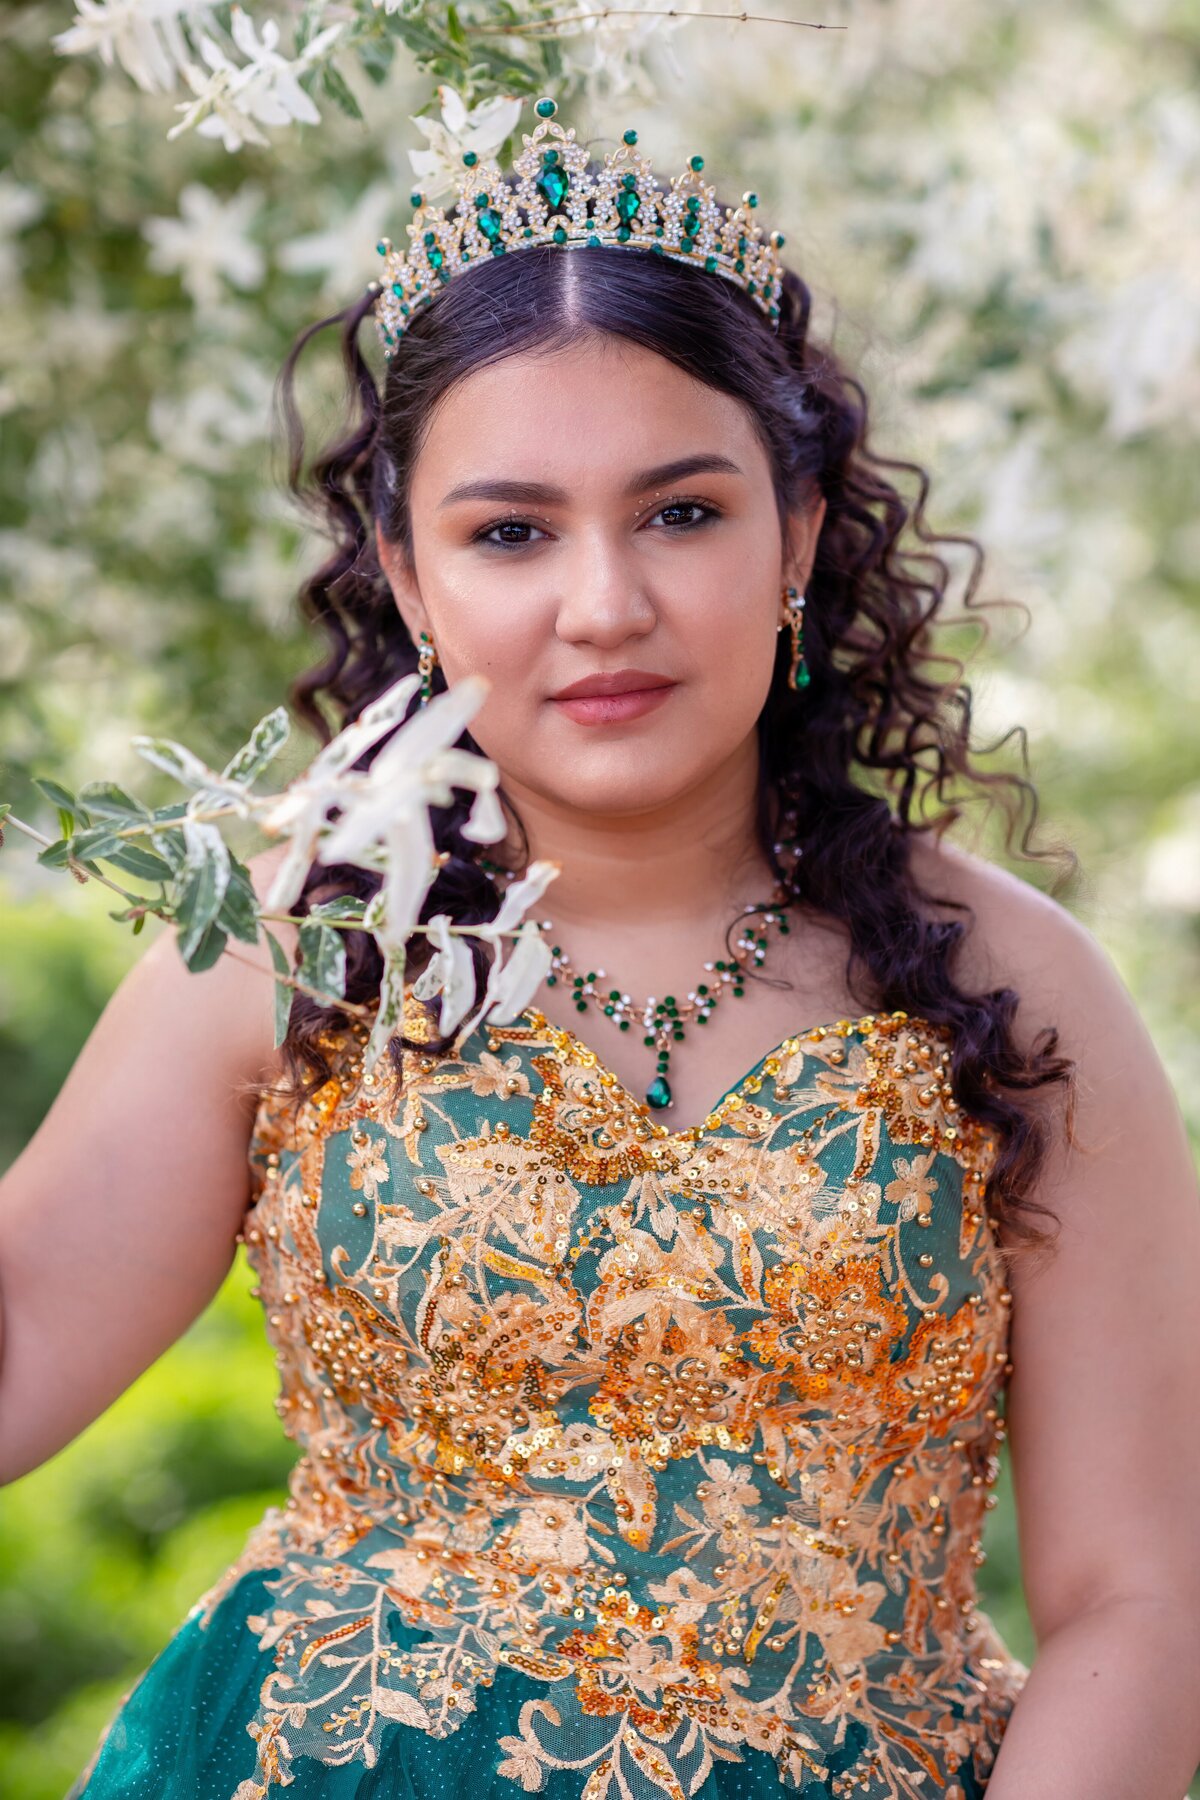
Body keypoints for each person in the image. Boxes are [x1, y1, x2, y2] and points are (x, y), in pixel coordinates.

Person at [2, 97, 1198, 1800]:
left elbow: (1140, 1600)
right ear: (409, 576)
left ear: (796, 535)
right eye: (510, 532)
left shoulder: (1017, 990)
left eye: (682, 514)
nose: (602, 606)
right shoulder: (297, 947)